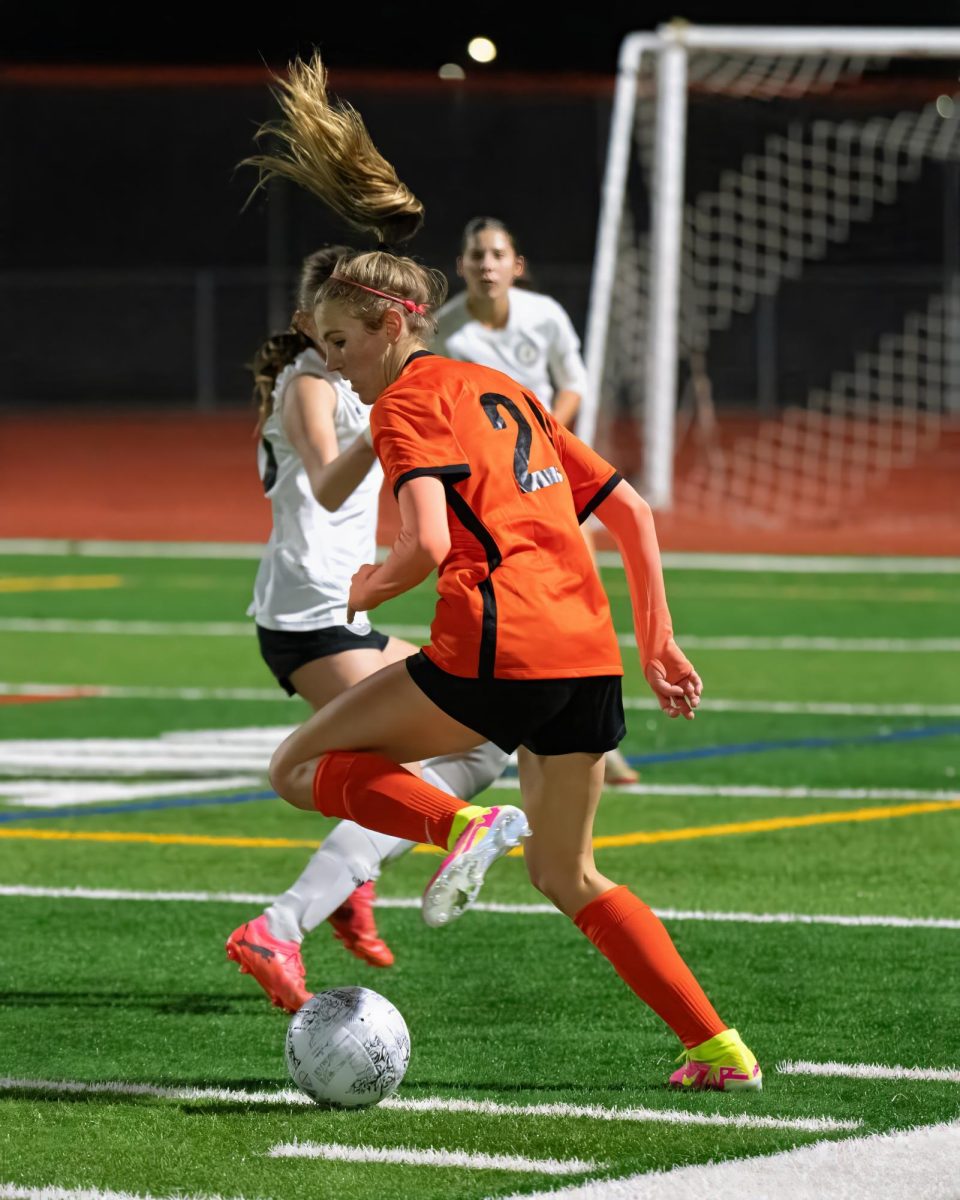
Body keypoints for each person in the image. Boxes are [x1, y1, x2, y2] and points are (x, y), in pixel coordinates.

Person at [247, 52, 762, 1092]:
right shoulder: (501, 390)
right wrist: (658, 639)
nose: (333, 362)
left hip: (498, 649)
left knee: (296, 771)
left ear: (393, 327)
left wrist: (377, 585)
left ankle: (460, 823)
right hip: (586, 658)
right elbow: (632, 511)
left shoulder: (402, 401)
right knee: (566, 873)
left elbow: (432, 540)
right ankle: (718, 1048)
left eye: (342, 343)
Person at [225, 245, 509, 1012]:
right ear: (308, 327)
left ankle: (342, 878)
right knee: (471, 735)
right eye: (332, 331)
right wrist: (392, 408)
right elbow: (325, 483)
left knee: (475, 733)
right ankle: (286, 919)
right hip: (308, 620)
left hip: (336, 616)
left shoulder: (357, 377)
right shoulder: (310, 385)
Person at [433, 218, 638, 786]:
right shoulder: (446, 331)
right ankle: (504, 719)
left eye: (497, 254)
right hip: (488, 492)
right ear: (462, 265)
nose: (487, 265)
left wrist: (548, 433)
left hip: (548, 478)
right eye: (477, 255)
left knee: (583, 596)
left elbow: (574, 381)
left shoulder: (543, 314)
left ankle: (599, 735)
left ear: (515, 265)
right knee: (502, 599)